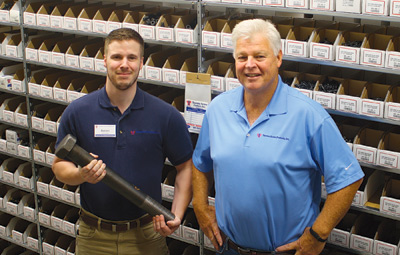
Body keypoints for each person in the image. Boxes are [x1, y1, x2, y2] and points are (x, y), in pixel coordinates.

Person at [192, 19, 364, 255]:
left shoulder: (308, 115)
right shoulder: (218, 109)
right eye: (242, 57)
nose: (250, 65)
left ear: (278, 58)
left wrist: (318, 234)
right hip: (228, 248)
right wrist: (200, 206)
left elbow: (348, 178)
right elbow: (200, 162)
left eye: (259, 56)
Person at [52, 28, 193, 255]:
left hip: (147, 234)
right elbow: (59, 165)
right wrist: (81, 175)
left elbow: (185, 167)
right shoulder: (78, 111)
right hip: (93, 236)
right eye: (117, 57)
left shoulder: (166, 115)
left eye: (131, 57)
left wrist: (176, 214)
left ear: (141, 62)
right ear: (105, 59)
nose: (124, 64)